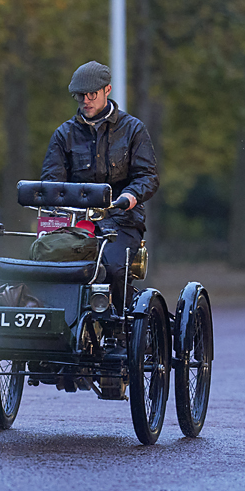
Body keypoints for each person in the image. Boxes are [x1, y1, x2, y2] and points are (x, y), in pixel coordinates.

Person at [41, 61, 158, 312]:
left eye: (92, 94)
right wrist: (53, 209)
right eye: (80, 95)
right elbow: (51, 183)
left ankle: (119, 324)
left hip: (121, 220)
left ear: (107, 90)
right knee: (46, 264)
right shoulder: (64, 134)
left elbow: (147, 176)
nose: (86, 100)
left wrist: (130, 196)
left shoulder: (133, 129)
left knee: (113, 269)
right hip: (74, 223)